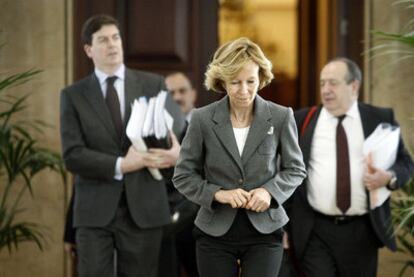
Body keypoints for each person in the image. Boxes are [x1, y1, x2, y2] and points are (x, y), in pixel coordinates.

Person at [60, 14, 185, 277]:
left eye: (115, 37)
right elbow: (73, 155)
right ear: (88, 50)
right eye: (103, 40)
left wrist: (177, 154)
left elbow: (179, 134)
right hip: (94, 212)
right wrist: (122, 164)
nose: (112, 44)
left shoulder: (153, 84)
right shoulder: (72, 96)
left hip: (144, 207)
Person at [172, 37, 307, 277]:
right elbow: (183, 175)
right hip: (214, 233)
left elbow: (295, 169)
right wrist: (218, 194)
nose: (244, 91)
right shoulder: (202, 119)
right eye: (235, 82)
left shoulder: (281, 116)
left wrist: (269, 192)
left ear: (261, 79)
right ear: (222, 81)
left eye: (250, 81)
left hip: (265, 232)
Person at [281, 57, 414, 277]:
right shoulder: (301, 120)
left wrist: (388, 177)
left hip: (362, 231)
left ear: (354, 86)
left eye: (333, 83)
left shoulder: (379, 118)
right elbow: (285, 172)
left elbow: (406, 163)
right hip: (315, 230)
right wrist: (284, 226)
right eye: (323, 83)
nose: (326, 89)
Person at [157, 72, 199, 277]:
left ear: (193, 94)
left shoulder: (210, 125)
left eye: (182, 91)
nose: (177, 97)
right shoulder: (151, 128)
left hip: (199, 226)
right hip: (162, 225)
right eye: (170, 92)